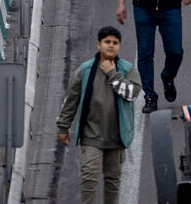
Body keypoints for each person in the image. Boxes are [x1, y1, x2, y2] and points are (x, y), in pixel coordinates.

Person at [56, 26, 143, 204]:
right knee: (89, 178)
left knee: (112, 181)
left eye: (115, 43)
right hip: (91, 136)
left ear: (119, 46)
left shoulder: (127, 70)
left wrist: (112, 74)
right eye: (107, 42)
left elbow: (131, 93)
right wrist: (63, 126)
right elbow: (71, 99)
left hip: (117, 138)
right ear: (98, 44)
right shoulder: (85, 70)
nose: (111, 46)